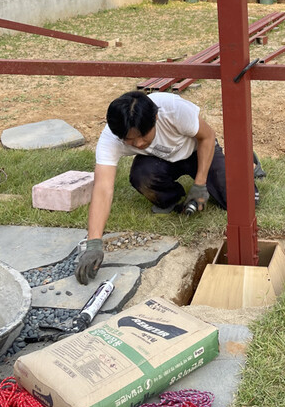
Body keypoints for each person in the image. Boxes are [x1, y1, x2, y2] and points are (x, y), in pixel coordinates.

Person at [75, 90, 262, 284]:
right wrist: (94, 243)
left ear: (155, 118)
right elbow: (103, 188)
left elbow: (207, 137)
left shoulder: (173, 109)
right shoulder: (112, 136)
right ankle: (174, 199)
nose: (137, 143)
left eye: (142, 136)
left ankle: (249, 163)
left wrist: (200, 183)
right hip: (160, 159)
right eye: (129, 140)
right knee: (142, 177)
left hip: (196, 150)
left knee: (241, 202)